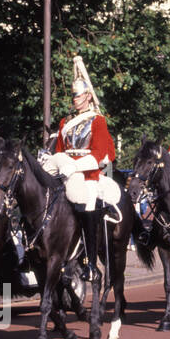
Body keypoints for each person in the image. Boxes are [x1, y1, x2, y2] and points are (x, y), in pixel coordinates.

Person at [42, 55, 117, 280]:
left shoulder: (97, 121)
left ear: (87, 96)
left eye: (78, 95)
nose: (74, 99)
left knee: (89, 202)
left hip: (88, 175)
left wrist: (73, 166)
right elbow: (60, 150)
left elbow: (100, 154)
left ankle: (91, 263)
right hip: (67, 173)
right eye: (73, 95)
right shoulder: (65, 123)